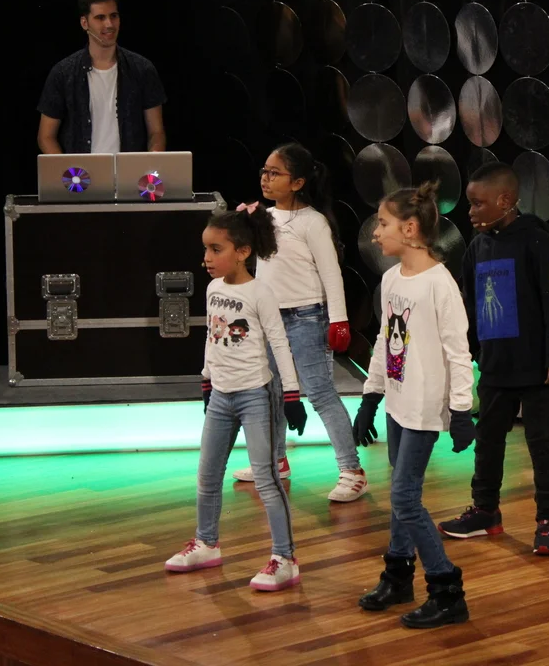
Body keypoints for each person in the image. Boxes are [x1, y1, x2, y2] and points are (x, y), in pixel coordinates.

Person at [164, 203, 308, 592]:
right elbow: (212, 336)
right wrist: (206, 380)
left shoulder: (260, 292)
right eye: (206, 249)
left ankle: (285, 558)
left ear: (242, 251)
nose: (207, 258)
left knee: (266, 478)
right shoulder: (213, 289)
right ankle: (206, 543)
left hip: (255, 396)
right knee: (207, 475)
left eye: (216, 249)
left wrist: (291, 395)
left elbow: (279, 342)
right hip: (221, 397)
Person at [353, 182, 475, 629]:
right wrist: (371, 394)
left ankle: (447, 590)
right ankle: (398, 575)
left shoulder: (439, 284)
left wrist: (461, 410)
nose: (375, 233)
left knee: (405, 498)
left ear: (409, 228)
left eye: (382, 223)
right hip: (398, 404)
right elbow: (386, 339)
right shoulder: (391, 279)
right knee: (401, 494)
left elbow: (459, 352)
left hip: (424, 407)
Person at [436, 163, 549, 556]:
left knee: (543, 446)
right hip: (496, 365)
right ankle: (485, 511)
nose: (471, 212)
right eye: (470, 204)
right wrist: (474, 352)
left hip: (539, 368)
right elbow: (470, 304)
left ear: (506, 200)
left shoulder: (539, 241)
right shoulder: (477, 248)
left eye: (478, 204)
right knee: (488, 442)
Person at [235, 143, 368, 501]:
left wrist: (338, 320)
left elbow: (331, 273)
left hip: (307, 316)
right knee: (272, 390)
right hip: (270, 319)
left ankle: (352, 470)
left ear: (297, 182)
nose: (266, 178)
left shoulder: (313, 222)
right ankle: (274, 460)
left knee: (319, 391)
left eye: (274, 173)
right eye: (264, 171)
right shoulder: (264, 218)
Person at [37, 0, 166, 155]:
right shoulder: (63, 73)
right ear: (84, 23)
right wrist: (70, 170)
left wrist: (151, 161)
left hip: (129, 171)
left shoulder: (142, 69)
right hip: (81, 171)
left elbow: (156, 132)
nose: (109, 24)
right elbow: (46, 136)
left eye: (113, 16)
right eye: (100, 17)